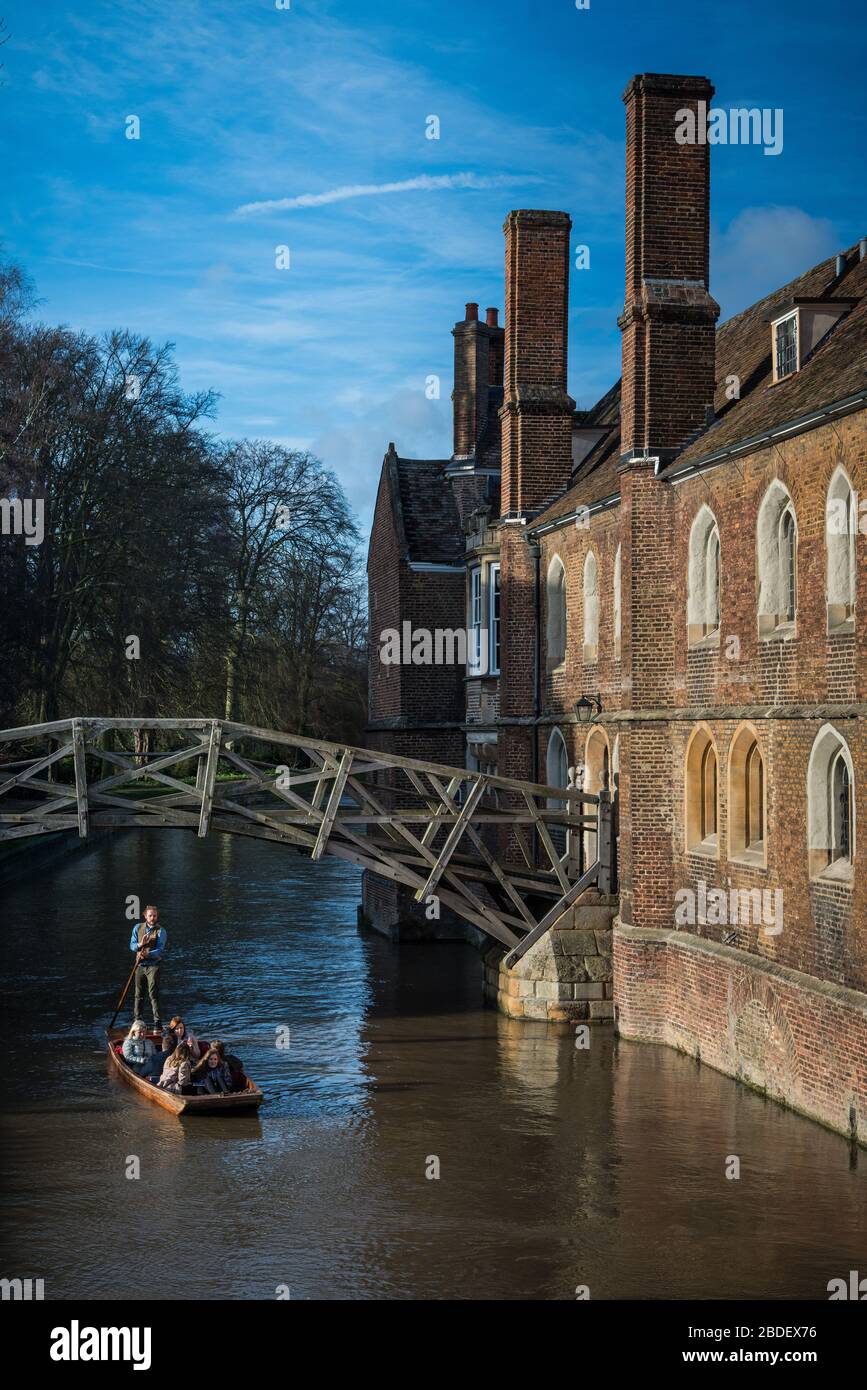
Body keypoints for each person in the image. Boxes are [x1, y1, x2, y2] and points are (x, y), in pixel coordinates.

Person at [129, 906, 167, 1029]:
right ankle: (137, 1020)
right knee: (138, 994)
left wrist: (146, 953)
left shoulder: (161, 931)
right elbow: (132, 945)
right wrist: (141, 944)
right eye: (150, 915)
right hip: (140, 965)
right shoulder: (137, 928)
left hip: (153, 965)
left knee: (153, 993)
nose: (152, 918)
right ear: (145, 915)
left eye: (155, 915)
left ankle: (157, 1022)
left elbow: (160, 950)